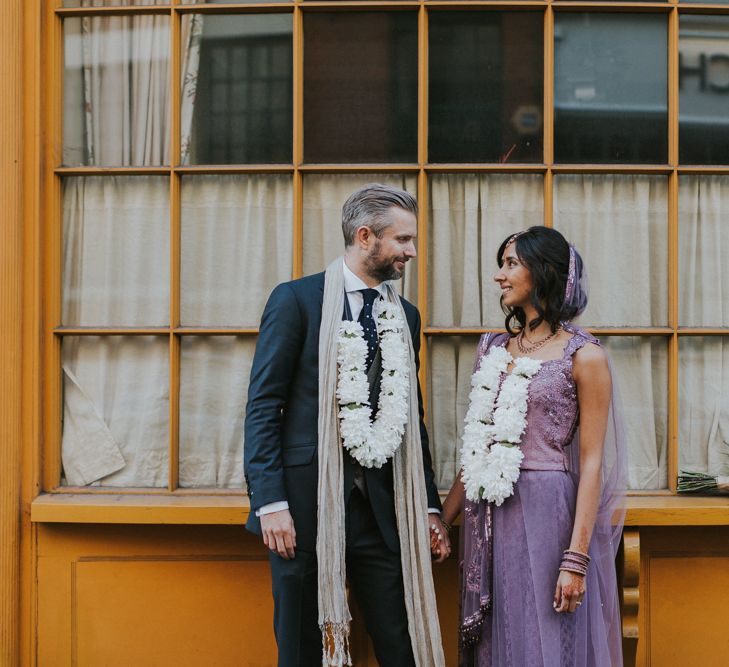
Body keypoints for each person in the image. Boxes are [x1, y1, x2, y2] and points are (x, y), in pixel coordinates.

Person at [244, 183, 448, 667]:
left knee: (402, 645)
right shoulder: (296, 301)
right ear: (365, 237)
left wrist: (429, 506)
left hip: (380, 512)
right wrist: (271, 502)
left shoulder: (406, 317)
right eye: (402, 240)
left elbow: (410, 420)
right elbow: (262, 407)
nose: (411, 252)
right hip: (301, 509)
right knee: (301, 650)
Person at [436, 227, 626, 666]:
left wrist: (576, 558)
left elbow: (594, 461)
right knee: (497, 639)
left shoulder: (585, 356)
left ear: (541, 273)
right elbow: (478, 444)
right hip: (489, 517)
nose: (499, 276)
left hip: (547, 516)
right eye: (501, 264)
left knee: (544, 639)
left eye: (511, 264)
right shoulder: (493, 348)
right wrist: (443, 520)